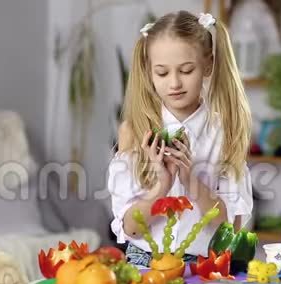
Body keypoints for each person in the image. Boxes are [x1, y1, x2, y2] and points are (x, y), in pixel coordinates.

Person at [107, 10, 253, 268]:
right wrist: (161, 186)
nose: (174, 83)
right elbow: (130, 228)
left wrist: (190, 180)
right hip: (143, 264)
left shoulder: (224, 133)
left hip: (203, 266)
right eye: (162, 73)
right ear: (149, 72)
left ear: (207, 64)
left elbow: (231, 227)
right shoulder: (134, 131)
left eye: (186, 70)